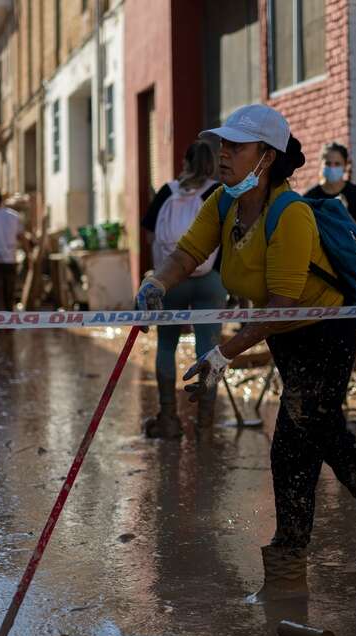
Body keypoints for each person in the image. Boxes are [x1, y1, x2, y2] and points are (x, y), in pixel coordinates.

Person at [134, 105, 356, 600]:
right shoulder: (224, 203)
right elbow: (188, 254)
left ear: (265, 158)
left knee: (292, 443)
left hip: (323, 333)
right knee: (323, 431)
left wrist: (222, 355)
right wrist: (157, 281)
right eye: (222, 145)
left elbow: (282, 306)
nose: (223, 155)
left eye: (235, 147)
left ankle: (287, 572)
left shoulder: (289, 215)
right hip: (285, 336)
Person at [137, 140, 225, 438]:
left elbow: (149, 232)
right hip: (210, 281)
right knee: (209, 350)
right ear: (213, 163)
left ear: (184, 162)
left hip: (171, 281)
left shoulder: (167, 192)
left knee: (166, 346)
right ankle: (204, 423)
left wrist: (160, 270)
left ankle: (168, 419)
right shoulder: (218, 192)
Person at [303, 142, 356, 229]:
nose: (332, 168)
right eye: (328, 163)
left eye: (337, 164)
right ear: (321, 164)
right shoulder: (310, 198)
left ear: (345, 166)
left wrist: (345, 214)